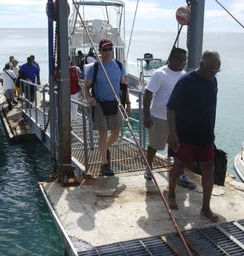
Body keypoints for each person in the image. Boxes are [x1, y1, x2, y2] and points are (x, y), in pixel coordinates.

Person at [166, 50, 221, 222]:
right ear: (201, 64)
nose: (213, 73)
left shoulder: (213, 81)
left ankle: (205, 207)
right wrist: (173, 133)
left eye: (216, 70)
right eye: (211, 69)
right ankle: (172, 193)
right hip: (186, 135)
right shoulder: (186, 81)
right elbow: (171, 108)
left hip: (205, 136)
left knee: (209, 168)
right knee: (179, 164)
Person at [143, 47, 196, 190]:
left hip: (177, 119)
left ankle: (179, 173)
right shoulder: (159, 74)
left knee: (178, 147)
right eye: (181, 59)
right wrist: (147, 116)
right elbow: (148, 95)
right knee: (154, 145)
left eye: (185, 60)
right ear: (171, 59)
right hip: (159, 117)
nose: (183, 62)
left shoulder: (184, 75)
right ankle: (148, 167)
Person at [84, 39, 132, 176]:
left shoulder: (119, 65)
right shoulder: (95, 68)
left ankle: (105, 149)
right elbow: (86, 87)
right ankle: (104, 164)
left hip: (115, 103)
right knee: (103, 134)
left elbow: (124, 85)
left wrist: (128, 104)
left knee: (116, 132)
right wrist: (88, 97)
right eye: (105, 49)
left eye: (110, 49)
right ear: (99, 51)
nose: (108, 52)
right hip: (100, 105)